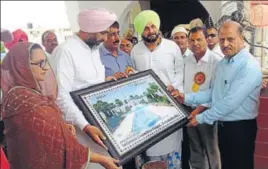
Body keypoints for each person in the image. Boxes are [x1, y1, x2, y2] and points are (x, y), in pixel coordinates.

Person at [1, 42, 120, 169]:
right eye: (39, 63)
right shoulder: (25, 103)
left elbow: (43, 128)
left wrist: (61, 126)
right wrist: (101, 159)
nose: (46, 68)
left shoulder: (24, 92)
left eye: (45, 62)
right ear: (21, 67)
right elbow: (58, 145)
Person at [171, 21, 262, 169]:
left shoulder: (249, 65)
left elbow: (229, 102)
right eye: (222, 39)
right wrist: (187, 97)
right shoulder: (224, 63)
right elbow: (214, 93)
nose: (225, 44)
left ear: (241, 37)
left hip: (240, 129)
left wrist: (200, 118)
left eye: (230, 39)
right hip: (223, 126)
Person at [50, 8, 119, 169]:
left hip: (100, 123)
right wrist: (85, 125)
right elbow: (60, 96)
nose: (104, 38)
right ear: (90, 30)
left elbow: (91, 84)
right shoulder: (65, 51)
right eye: (102, 33)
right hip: (80, 130)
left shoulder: (94, 49)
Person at [131, 10, 184, 168]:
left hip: (169, 106)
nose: (150, 31)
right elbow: (134, 76)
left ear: (158, 27)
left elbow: (180, 72)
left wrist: (173, 88)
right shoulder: (136, 50)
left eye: (153, 26)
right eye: (146, 28)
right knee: (148, 149)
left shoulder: (172, 47)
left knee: (171, 147)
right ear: (141, 31)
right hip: (145, 111)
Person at [180, 26, 221, 169]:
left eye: (199, 39)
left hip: (206, 112)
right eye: (192, 40)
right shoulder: (186, 60)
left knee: (212, 149)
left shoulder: (216, 61)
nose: (195, 43)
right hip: (188, 110)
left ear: (207, 39)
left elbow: (216, 91)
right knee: (195, 147)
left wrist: (199, 109)